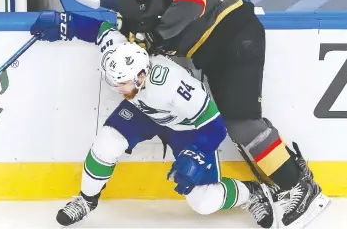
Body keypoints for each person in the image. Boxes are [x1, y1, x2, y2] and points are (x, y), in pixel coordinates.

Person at [105, 0, 329, 228]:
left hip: (235, 34)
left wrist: (154, 37)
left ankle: (300, 186)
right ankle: (282, 181)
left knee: (243, 123)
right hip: (211, 54)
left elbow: (194, 1)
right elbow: (125, 36)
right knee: (234, 124)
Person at [42, 21, 277, 228]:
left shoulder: (175, 84)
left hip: (186, 127)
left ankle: (251, 193)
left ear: (141, 76)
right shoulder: (119, 53)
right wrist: (65, 24)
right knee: (106, 143)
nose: (117, 89)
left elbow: (215, 127)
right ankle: (86, 200)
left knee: (203, 202)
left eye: (122, 84)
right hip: (144, 113)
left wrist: (195, 153)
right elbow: (101, 28)